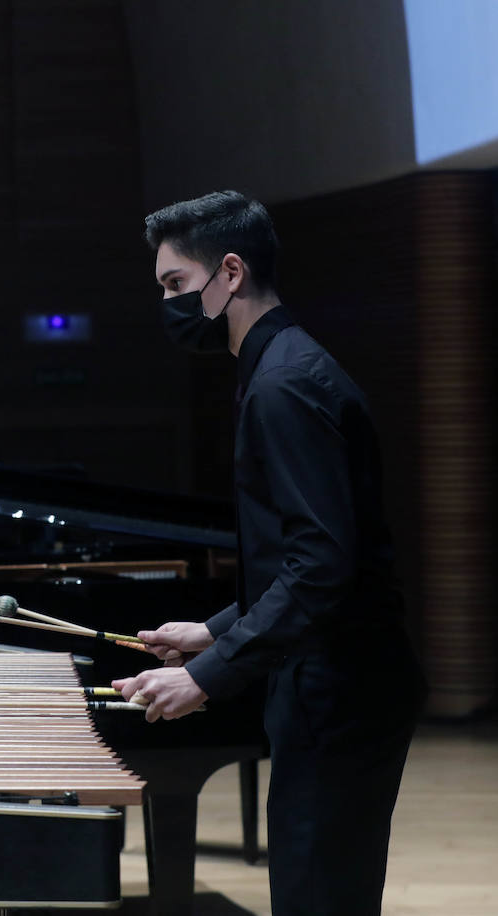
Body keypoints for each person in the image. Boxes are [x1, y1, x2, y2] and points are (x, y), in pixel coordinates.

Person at [113, 190, 426, 915]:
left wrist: (209, 676)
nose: (168, 304)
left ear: (230, 271)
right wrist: (212, 632)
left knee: (319, 899)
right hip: (333, 682)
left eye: (175, 286)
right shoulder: (279, 367)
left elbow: (322, 569)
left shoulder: (284, 383)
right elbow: (296, 560)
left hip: (340, 689)